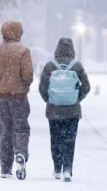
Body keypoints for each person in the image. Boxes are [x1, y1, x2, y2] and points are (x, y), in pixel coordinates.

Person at [0, 21, 34, 179]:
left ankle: (5, 167)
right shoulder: (23, 51)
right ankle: (20, 153)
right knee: (20, 128)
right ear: (17, 32)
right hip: (19, 97)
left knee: (5, 131)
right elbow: (28, 74)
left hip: (2, 98)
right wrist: (23, 83)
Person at [38, 37, 91, 182]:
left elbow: (42, 88)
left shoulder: (50, 66)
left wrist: (50, 100)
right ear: (72, 49)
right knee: (69, 140)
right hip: (72, 111)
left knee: (55, 140)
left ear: (57, 49)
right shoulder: (77, 66)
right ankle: (67, 169)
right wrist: (76, 98)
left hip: (54, 111)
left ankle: (57, 169)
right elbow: (87, 87)